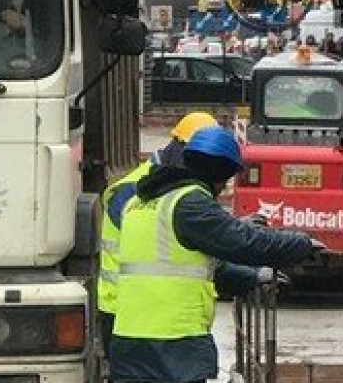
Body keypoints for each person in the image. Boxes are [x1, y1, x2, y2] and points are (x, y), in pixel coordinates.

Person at [108, 127, 318, 383]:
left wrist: (250, 278)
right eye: (225, 179)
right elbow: (244, 242)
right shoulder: (188, 203)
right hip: (174, 343)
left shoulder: (139, 205)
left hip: (129, 340)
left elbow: (190, 266)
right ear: (219, 174)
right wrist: (301, 244)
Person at [96, 111, 220, 352]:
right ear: (179, 149)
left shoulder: (166, 186)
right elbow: (170, 236)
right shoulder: (135, 190)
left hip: (146, 311)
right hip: (126, 310)